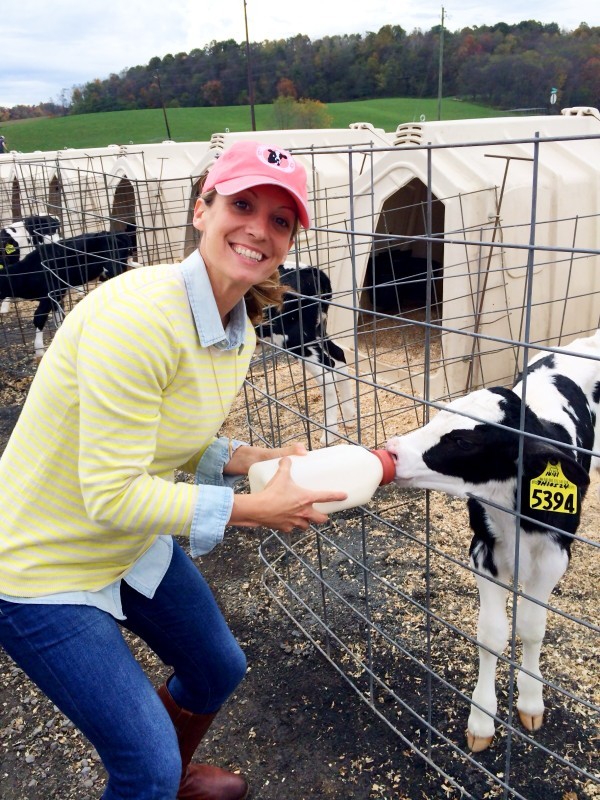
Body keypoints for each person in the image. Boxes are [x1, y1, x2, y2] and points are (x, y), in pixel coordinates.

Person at [0, 140, 347, 800]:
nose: (258, 229)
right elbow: (112, 493)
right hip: (38, 562)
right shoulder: (138, 319)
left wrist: (252, 460)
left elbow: (170, 438)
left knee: (217, 667)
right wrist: (252, 509)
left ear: (291, 240)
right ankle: (157, 777)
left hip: (118, 541)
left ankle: (167, 781)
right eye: (242, 205)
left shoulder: (238, 321)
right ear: (201, 210)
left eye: (280, 220)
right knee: (146, 764)